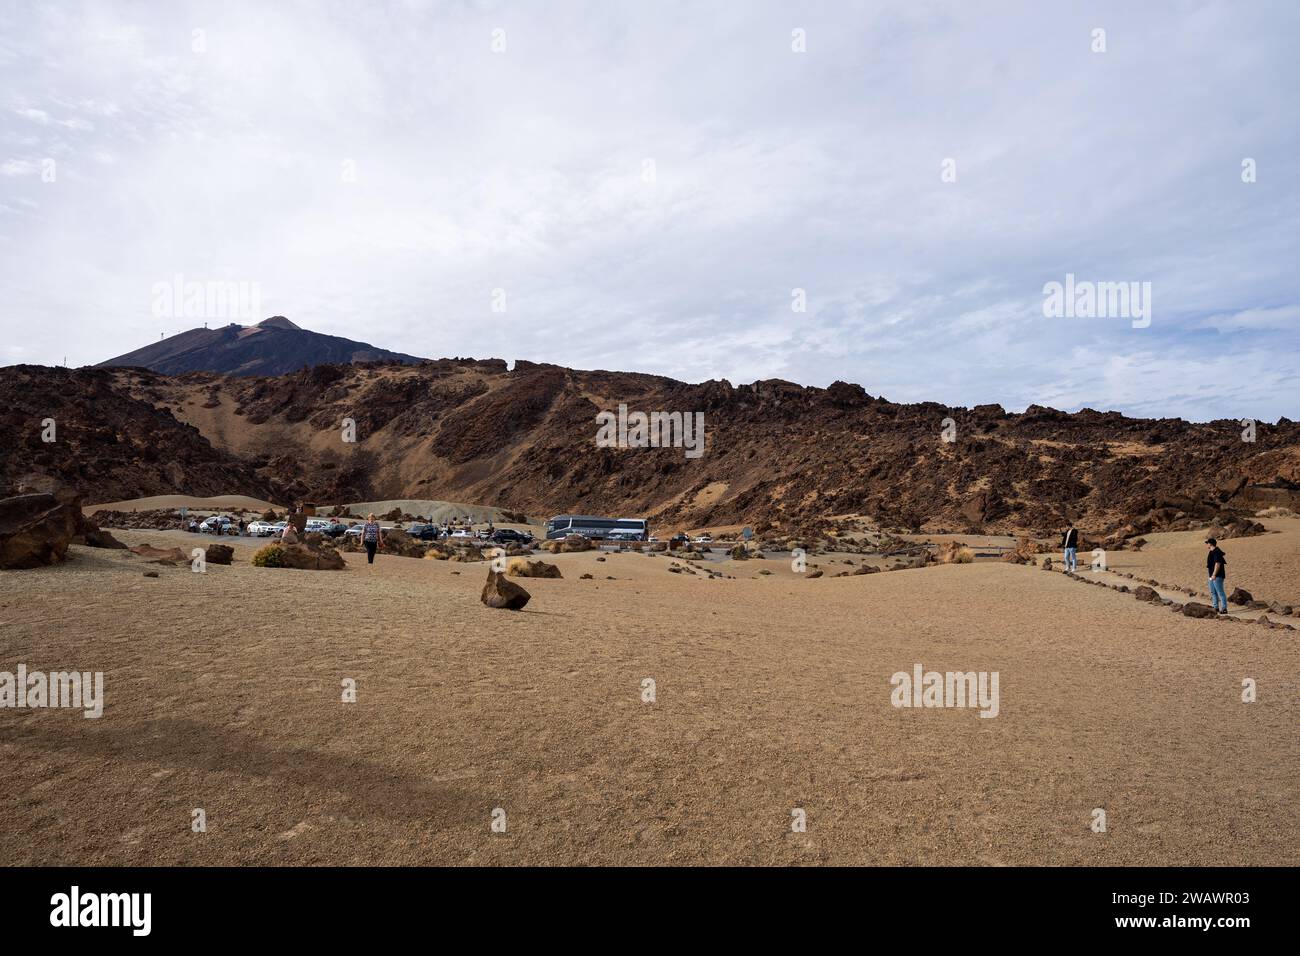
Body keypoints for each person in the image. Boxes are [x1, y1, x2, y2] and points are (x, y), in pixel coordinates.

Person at [1206, 538, 1228, 614]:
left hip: (1217, 576)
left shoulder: (1217, 552)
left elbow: (1217, 564)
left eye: (1207, 543)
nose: (1206, 544)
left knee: (1220, 592)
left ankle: (1224, 608)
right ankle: (1216, 607)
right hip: (1211, 576)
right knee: (1213, 592)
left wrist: (1214, 575)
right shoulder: (1211, 552)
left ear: (1210, 544)